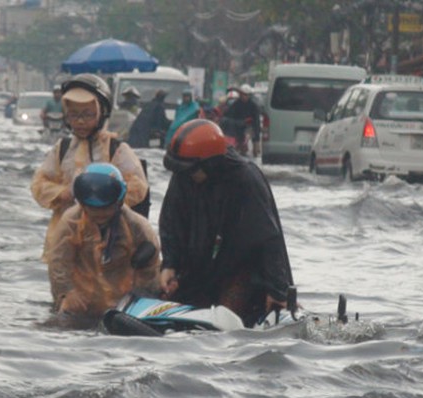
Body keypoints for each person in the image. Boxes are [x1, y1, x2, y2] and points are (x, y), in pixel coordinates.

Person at [158, 119, 294, 327]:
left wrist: (278, 290)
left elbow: (267, 238)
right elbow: (171, 223)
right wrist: (170, 264)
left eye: (191, 171)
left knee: (225, 321)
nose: (185, 176)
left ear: (210, 164)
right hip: (199, 267)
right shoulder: (184, 176)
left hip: (243, 270)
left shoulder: (245, 180)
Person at [31, 73, 149, 263]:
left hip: (109, 246)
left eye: (87, 114)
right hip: (64, 244)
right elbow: (39, 184)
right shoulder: (62, 149)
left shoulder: (116, 150)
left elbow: (139, 187)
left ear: (102, 112)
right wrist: (63, 193)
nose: (80, 121)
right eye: (74, 115)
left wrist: (105, 197)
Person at [46, 163, 161, 325]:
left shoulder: (137, 226)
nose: (98, 214)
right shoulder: (71, 222)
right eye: (92, 209)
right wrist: (67, 292)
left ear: (118, 202)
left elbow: (151, 269)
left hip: (122, 307)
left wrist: (141, 299)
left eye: (105, 209)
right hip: (80, 303)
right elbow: (58, 262)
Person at [220, 84, 261, 157]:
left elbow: (256, 123)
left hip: (249, 128)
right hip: (237, 127)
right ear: (240, 94)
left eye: (247, 95)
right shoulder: (236, 104)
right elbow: (228, 116)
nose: (245, 96)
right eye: (243, 94)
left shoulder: (253, 106)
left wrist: (256, 141)